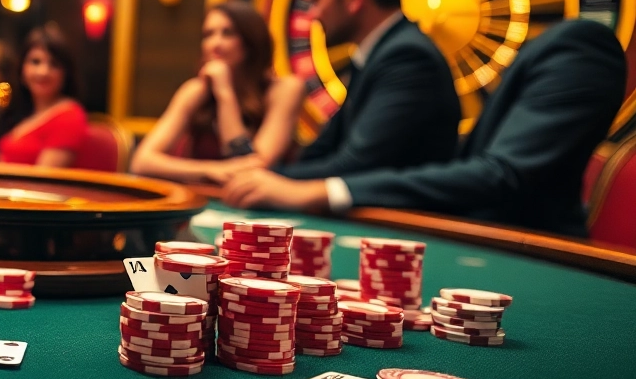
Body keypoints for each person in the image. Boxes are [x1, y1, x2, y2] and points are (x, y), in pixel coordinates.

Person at [222, 19, 627, 238]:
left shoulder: (582, 45)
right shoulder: (380, 58)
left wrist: (318, 191)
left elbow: (503, 173)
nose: (313, 13)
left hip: (539, 257)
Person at [273, 0, 459, 180]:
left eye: (316, 0)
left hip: (398, 217)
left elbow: (355, 166)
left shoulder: (408, 57)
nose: (312, 14)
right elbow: (323, 151)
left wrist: (272, 181)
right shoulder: (377, 53)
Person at [131, 1, 305, 182]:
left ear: (251, 41)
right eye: (208, 34)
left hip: (261, 205)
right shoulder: (196, 90)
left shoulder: (286, 89)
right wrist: (210, 170)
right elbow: (142, 162)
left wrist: (224, 93)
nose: (215, 43)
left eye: (227, 33)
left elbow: (252, 168)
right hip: (205, 199)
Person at [0, 25, 88, 167]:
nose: (43, 71)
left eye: (54, 64)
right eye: (35, 62)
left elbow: (43, 179)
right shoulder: (18, 112)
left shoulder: (70, 116)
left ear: (66, 73)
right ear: (22, 69)